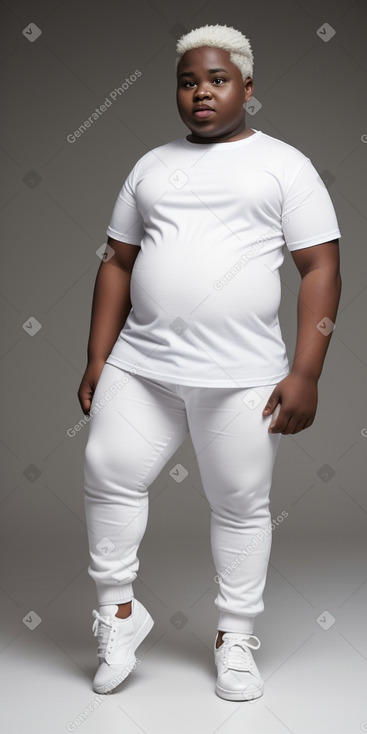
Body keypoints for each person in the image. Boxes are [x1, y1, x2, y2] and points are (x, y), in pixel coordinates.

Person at [78, 23, 342, 701]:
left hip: (243, 376)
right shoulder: (150, 165)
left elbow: (320, 267)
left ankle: (233, 638)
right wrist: (97, 356)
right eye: (188, 80)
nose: (200, 92)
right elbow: (116, 264)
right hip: (143, 366)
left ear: (247, 88)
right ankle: (118, 616)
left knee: (240, 505)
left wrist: (306, 370)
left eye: (216, 80)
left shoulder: (285, 165)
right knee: (109, 474)